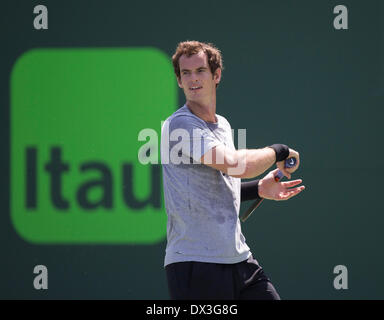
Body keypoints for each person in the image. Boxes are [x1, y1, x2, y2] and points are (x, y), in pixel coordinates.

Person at [160, 40, 305, 300]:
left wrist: (258, 188)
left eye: (200, 71)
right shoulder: (179, 124)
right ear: (179, 81)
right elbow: (236, 164)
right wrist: (278, 151)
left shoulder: (223, 125)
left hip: (239, 259)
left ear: (216, 75)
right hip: (195, 264)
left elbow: (218, 181)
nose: (193, 79)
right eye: (186, 73)